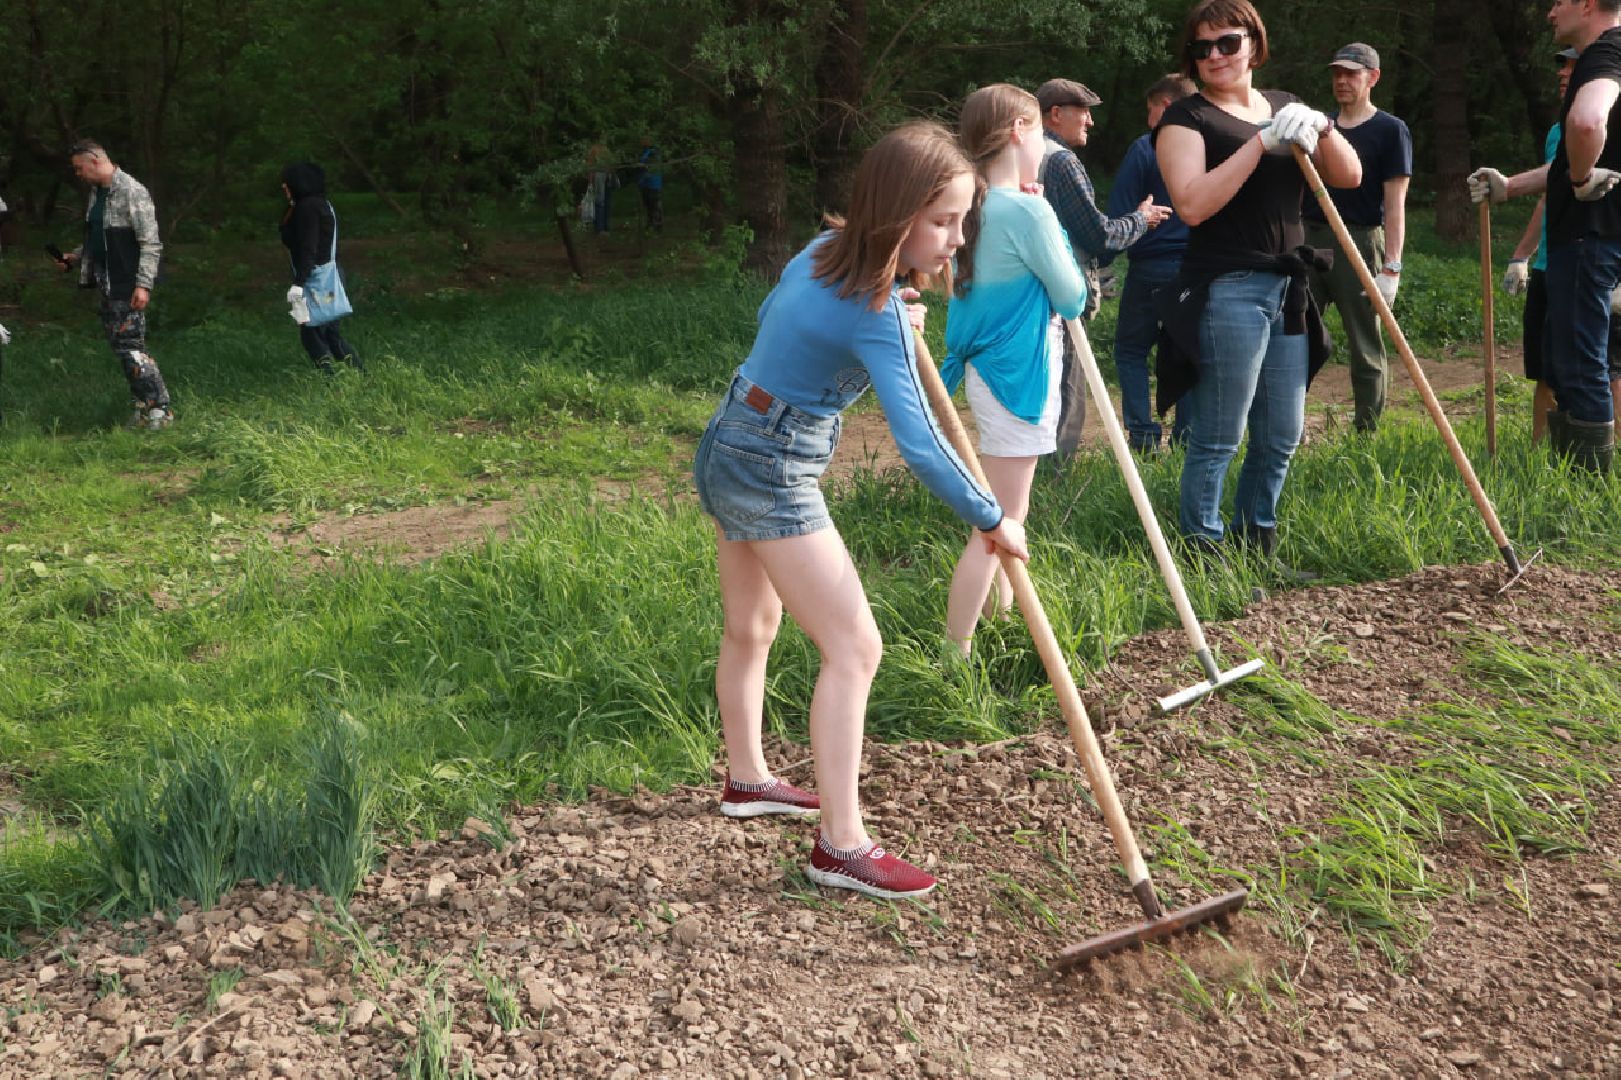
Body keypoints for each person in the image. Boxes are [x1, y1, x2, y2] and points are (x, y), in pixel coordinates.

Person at [692, 121, 1029, 899]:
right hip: (773, 468)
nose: (956, 238)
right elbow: (919, 441)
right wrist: (989, 516)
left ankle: (747, 780)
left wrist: (889, 324)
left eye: (962, 220)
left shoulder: (818, 253)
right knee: (855, 649)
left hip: (730, 438)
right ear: (895, 214)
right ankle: (841, 846)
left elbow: (787, 320)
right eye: (943, 221)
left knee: (751, 627)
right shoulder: (874, 310)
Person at [1154, 0, 1360, 570]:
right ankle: (1202, 552)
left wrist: (1321, 125)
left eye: (1227, 42)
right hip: (1228, 288)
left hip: (1289, 288)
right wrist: (1258, 143)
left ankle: (1255, 543)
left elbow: (1349, 176)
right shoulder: (1185, 120)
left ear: (1254, 43)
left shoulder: (1286, 105)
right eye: (1202, 47)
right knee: (1221, 433)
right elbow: (1192, 205)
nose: (1215, 55)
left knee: (1281, 434)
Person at [940, 85, 1086, 656]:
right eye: (1042, 134)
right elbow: (1071, 295)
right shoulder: (1027, 209)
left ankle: (1000, 625)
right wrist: (1047, 215)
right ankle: (956, 654)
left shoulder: (974, 205)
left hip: (987, 372)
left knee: (1005, 517)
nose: (1046, 145)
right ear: (1020, 132)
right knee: (998, 523)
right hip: (1017, 377)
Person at [1471, 0, 1621, 472]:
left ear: (1588, 4)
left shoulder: (1605, 53)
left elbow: (1586, 123)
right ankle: (1573, 480)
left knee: (1580, 367)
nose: (1550, 13)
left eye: (1558, 2)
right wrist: (1510, 187)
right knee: (1568, 364)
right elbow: (1572, 154)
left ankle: (1587, 488)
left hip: (1588, 238)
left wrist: (1580, 181)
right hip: (1590, 240)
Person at [1036, 77, 1173, 459]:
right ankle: (1054, 481)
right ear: (1056, 114)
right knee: (1066, 391)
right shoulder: (1061, 162)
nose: (1090, 122)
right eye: (1083, 112)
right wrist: (1142, 219)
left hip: (1026, 291)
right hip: (1061, 295)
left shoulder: (1023, 153)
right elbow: (1099, 236)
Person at [1302, 43, 1412, 434]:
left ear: (1372, 78)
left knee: (1365, 343)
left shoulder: (1390, 130)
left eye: (1351, 73)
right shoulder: (1319, 127)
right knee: (1295, 334)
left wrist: (1392, 266)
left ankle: (1366, 431)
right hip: (1311, 241)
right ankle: (1289, 425)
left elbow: (1395, 203)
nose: (1342, 81)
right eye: (1337, 74)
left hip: (1361, 242)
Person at [1502, 47, 1594, 445]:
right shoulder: (1559, 131)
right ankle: (1540, 453)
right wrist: (1522, 255)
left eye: (1573, 66)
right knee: (1544, 366)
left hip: (1592, 261)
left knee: (1602, 366)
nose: (1563, 73)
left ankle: (1603, 455)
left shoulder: (1605, 124)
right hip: (1549, 265)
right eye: (1562, 65)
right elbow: (1549, 195)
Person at [1102, 74, 1198, 453]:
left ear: (1168, 105)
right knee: (1187, 352)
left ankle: (1143, 438)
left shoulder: (1146, 149)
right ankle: (1185, 439)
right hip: (1196, 268)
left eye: (1152, 109)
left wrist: (1103, 262)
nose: (1148, 119)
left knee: (1130, 350)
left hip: (1151, 267)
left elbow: (1121, 211)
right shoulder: (1210, 147)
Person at [54, 140, 173, 430]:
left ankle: (161, 409)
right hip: (105, 283)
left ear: (95, 161)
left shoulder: (132, 191)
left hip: (127, 284)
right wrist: (75, 258)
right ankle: (142, 407)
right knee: (121, 349)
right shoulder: (97, 194)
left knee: (132, 347)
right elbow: (99, 239)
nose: (78, 174)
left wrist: (143, 284)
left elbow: (150, 243)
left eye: (79, 168)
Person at [280, 163, 361, 375]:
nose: (283, 186)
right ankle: (359, 376)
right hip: (328, 277)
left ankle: (329, 379)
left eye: (287, 182)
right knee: (330, 333)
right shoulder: (318, 204)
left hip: (317, 281)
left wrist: (299, 283)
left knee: (312, 332)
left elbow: (309, 247)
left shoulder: (307, 208)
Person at [634, 137, 664, 233]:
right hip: (644, 183)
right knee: (647, 204)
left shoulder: (654, 152)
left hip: (653, 182)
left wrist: (642, 166)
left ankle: (658, 225)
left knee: (655, 204)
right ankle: (650, 223)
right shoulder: (644, 151)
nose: (641, 141)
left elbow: (651, 166)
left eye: (644, 139)